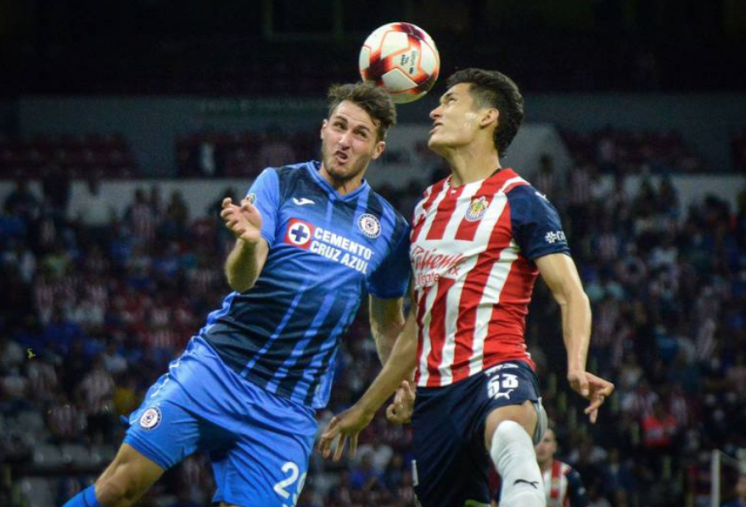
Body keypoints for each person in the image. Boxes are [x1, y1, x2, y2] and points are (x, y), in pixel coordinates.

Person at [61, 82, 411, 507]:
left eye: (360, 134)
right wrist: (247, 243)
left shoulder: (390, 228)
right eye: (339, 126)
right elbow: (242, 279)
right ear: (323, 129)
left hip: (286, 411)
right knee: (120, 487)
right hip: (217, 370)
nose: (345, 141)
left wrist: (402, 381)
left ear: (377, 149)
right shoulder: (280, 183)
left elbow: (387, 322)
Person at [319, 68, 614, 507]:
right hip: (435, 396)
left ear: (487, 117)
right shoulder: (427, 205)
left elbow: (571, 294)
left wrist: (575, 365)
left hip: (496, 366)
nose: (434, 111)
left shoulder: (521, 200)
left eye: (450, 101)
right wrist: (365, 409)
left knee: (510, 432)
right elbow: (419, 324)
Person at [534, 429, 590, 507]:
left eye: (546, 441)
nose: (541, 445)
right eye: (537, 440)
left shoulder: (568, 473)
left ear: (554, 446)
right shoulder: (520, 472)